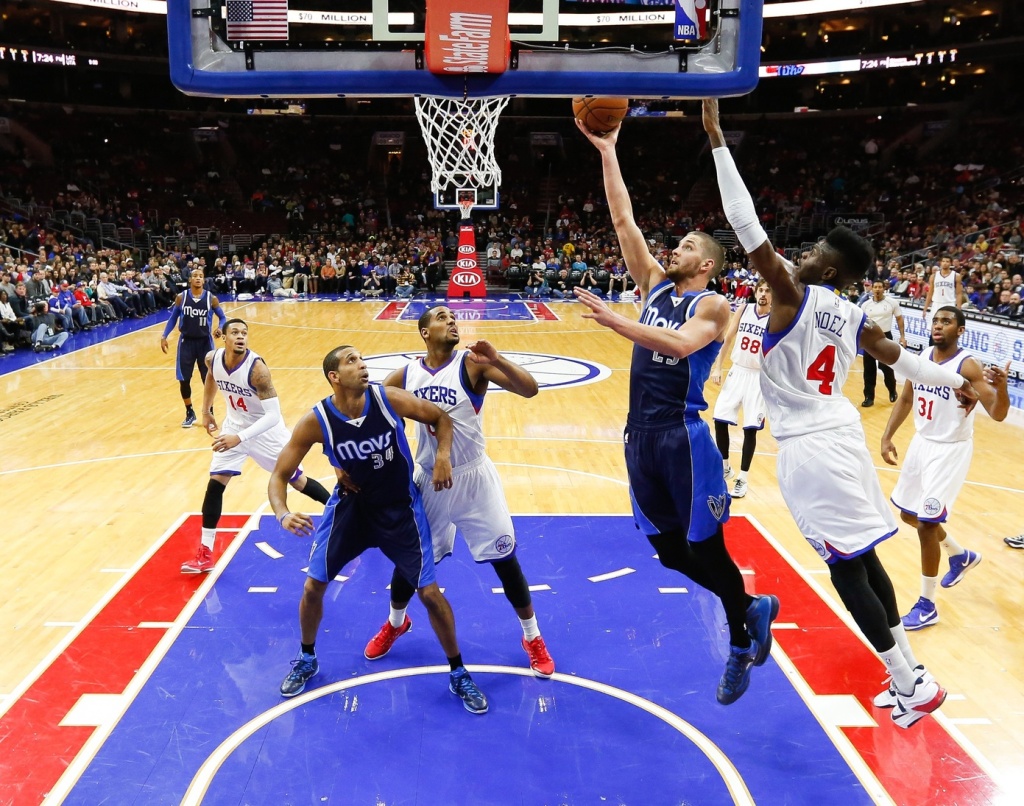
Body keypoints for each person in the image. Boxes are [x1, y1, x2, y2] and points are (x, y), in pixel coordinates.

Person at [704, 97, 980, 728]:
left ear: (827, 263)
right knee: (865, 560)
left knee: (845, 570)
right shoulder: (852, 314)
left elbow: (745, 227)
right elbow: (906, 362)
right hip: (843, 440)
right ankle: (909, 675)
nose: (797, 255)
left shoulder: (795, 291)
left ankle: (909, 679)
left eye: (811, 251)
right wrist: (956, 378)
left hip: (811, 448)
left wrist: (718, 139)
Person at [573, 117, 779, 706]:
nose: (677, 248)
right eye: (680, 244)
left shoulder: (713, 304)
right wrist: (609, 152)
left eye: (689, 246)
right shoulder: (655, 286)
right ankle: (748, 606)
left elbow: (682, 345)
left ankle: (739, 643)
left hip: (684, 437)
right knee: (667, 552)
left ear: (708, 263)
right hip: (640, 436)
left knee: (706, 549)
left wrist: (618, 322)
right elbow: (623, 221)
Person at [268, 346, 489, 714]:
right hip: (352, 509)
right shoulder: (316, 420)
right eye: (351, 361)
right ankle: (307, 658)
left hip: (399, 507)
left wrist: (443, 455)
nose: (362, 365)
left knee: (430, 593)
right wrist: (282, 513)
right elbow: (279, 474)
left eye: (362, 359)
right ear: (334, 377)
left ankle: (459, 671)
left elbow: (440, 417)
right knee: (312, 585)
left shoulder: (388, 400)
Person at [363, 306, 554, 678]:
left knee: (505, 559)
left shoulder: (472, 365)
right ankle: (396, 622)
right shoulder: (404, 375)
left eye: (453, 317)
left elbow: (529, 390)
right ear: (423, 332)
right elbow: (379, 422)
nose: (451, 321)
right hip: (429, 482)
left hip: (474, 478)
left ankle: (532, 637)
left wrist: (498, 358)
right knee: (411, 562)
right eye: (441, 317)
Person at [880, 306, 1009, 629]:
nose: (938, 325)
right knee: (909, 514)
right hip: (922, 444)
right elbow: (907, 398)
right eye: (936, 320)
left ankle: (927, 604)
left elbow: (997, 412)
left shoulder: (968, 365)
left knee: (926, 523)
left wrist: (1002, 387)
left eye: (946, 321)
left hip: (950, 450)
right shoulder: (924, 356)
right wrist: (887, 436)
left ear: (960, 330)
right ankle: (959, 554)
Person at [181, 318, 332, 574]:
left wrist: (239, 438)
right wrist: (206, 411)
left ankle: (343, 514)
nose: (241, 337)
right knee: (216, 482)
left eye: (244, 333)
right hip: (234, 426)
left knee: (296, 480)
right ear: (224, 338)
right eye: (235, 333)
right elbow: (211, 379)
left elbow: (273, 415)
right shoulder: (212, 359)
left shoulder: (257, 370)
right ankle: (205, 552)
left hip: (267, 431)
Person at [709, 279, 772, 498]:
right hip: (737, 371)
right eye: (760, 290)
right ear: (755, 292)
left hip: (758, 377)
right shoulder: (744, 309)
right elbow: (727, 339)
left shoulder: (776, 319)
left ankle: (742, 479)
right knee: (719, 418)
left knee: (750, 428)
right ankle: (725, 466)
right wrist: (718, 367)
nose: (763, 293)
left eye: (767, 291)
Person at [160, 268, 227, 428]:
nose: (198, 278)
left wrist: (220, 328)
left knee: (208, 380)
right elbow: (173, 318)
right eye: (195, 276)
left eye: (201, 276)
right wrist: (164, 336)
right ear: (190, 279)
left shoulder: (212, 299)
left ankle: (209, 412)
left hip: (205, 343)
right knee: (184, 379)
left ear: (204, 280)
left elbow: (223, 317)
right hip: (186, 342)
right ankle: (189, 412)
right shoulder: (181, 298)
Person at [860, 279, 907, 407]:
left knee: (886, 367)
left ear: (884, 288)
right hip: (869, 337)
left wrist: (902, 336)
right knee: (869, 368)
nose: (877, 289)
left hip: (885, 336)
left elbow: (899, 318)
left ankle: (892, 390)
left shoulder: (892, 302)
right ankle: (869, 397)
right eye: (875, 287)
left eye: (880, 287)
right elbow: (861, 323)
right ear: (872, 289)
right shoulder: (865, 305)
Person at [921, 255, 963, 330]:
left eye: (947, 261)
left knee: (947, 329)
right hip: (936, 303)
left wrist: (959, 309)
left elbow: (959, 294)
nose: (945, 263)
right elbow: (930, 293)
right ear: (940, 263)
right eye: (943, 261)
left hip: (949, 304)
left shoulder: (956, 276)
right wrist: (925, 309)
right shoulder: (933, 276)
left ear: (951, 263)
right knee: (933, 328)